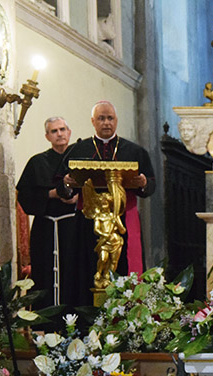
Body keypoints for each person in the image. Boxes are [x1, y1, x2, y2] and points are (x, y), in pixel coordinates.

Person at [60, 101, 155, 305]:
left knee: (123, 266)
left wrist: (144, 183)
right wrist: (67, 184)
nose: (106, 123)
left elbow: (151, 185)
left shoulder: (135, 151)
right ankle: (85, 313)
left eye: (110, 118)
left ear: (116, 121)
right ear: (93, 122)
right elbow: (61, 184)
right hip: (88, 221)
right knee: (87, 266)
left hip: (123, 219)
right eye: (101, 118)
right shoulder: (78, 150)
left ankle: (126, 312)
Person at [16, 117, 78, 309]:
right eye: (54, 131)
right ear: (47, 136)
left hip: (74, 227)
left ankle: (74, 319)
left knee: (75, 271)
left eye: (62, 129)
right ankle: (45, 319)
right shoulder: (37, 162)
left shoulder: (82, 161)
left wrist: (78, 198)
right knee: (44, 273)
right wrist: (52, 194)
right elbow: (24, 196)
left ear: (69, 132)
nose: (59, 134)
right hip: (45, 227)